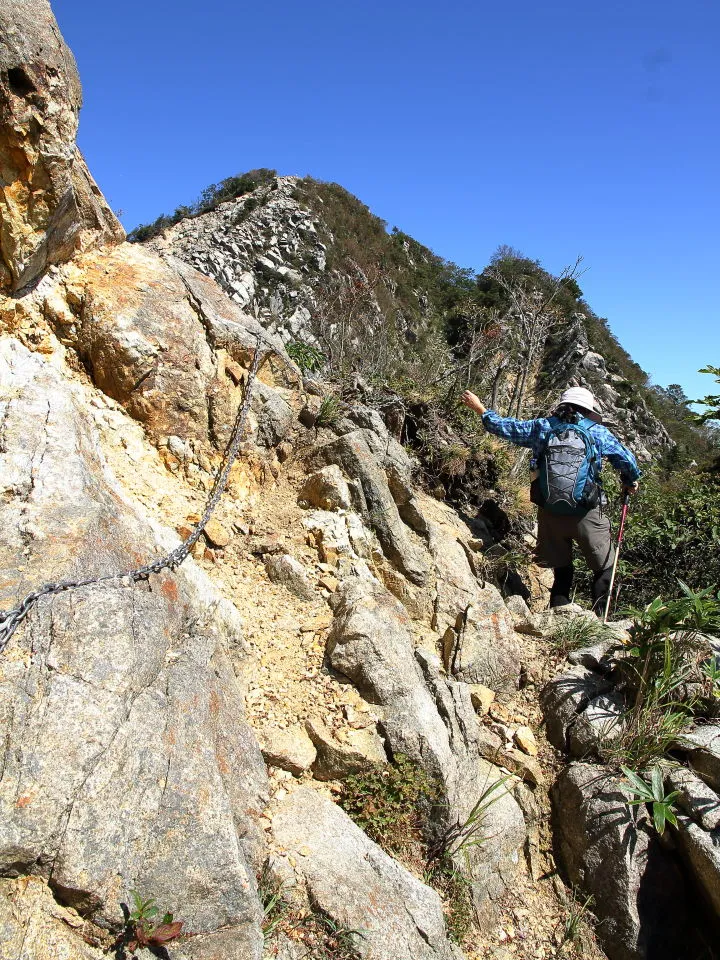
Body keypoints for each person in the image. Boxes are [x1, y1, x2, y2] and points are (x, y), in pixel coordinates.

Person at [461, 386, 640, 612]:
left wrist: (481, 409)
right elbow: (627, 461)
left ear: (562, 405)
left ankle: (559, 613)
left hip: (549, 510)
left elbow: (505, 427)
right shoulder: (597, 432)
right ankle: (599, 620)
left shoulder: (542, 427)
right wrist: (629, 480)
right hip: (587, 512)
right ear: (588, 410)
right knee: (604, 567)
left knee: (561, 567)